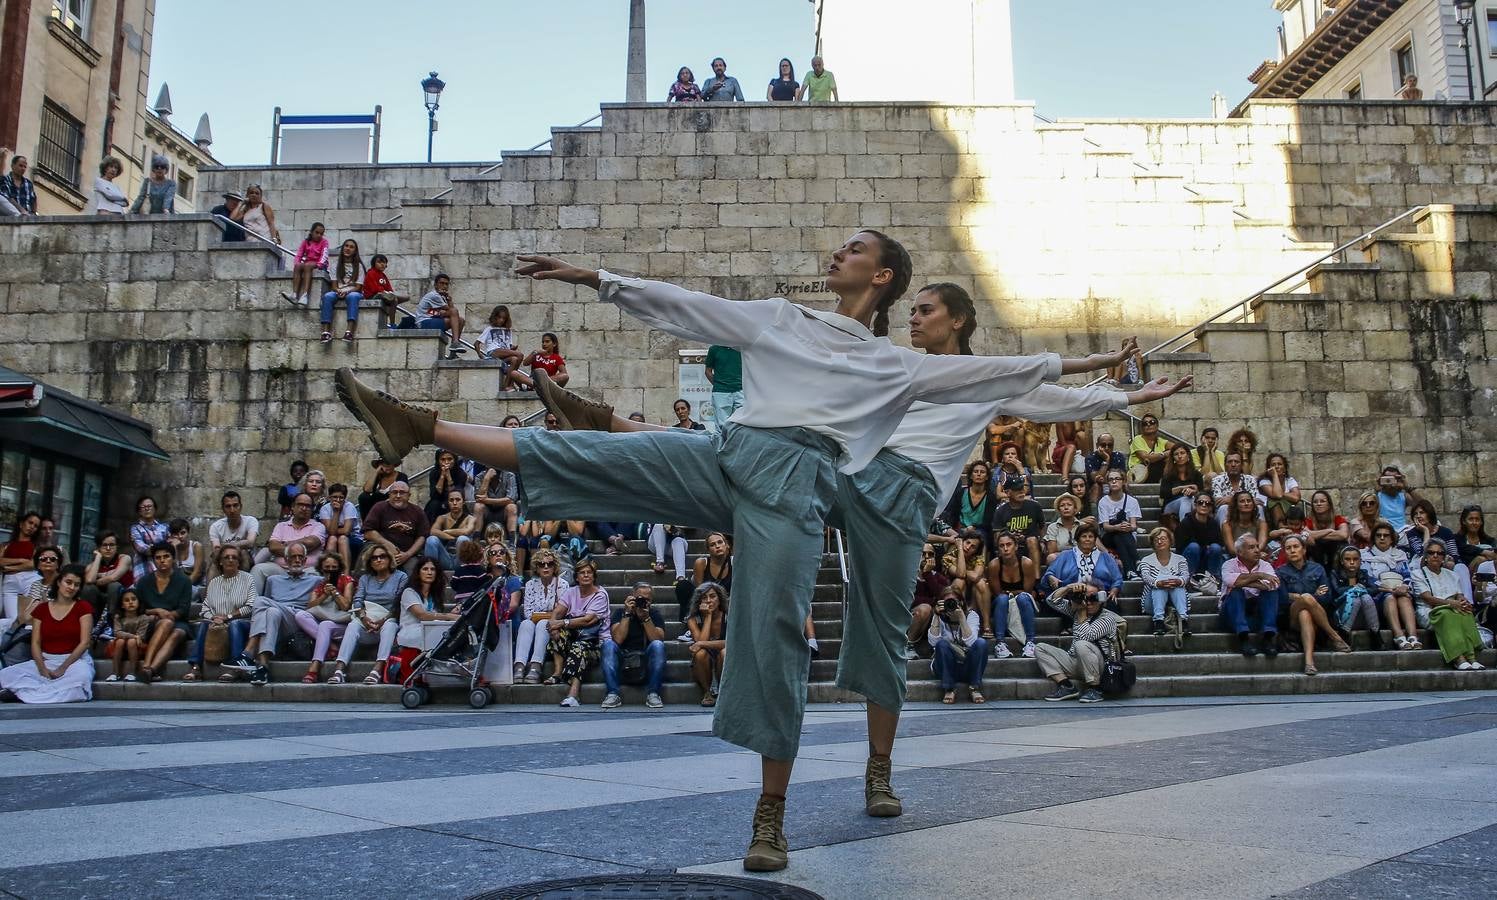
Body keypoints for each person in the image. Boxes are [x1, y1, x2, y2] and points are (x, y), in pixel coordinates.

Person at [334, 234, 1152, 872]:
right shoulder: (780, 317)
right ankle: (423, 425)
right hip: (747, 456)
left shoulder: (895, 366)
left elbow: (1024, 380)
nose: (838, 256)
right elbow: (686, 306)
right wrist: (588, 277)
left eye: (855, 251)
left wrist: (1112, 381)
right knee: (607, 461)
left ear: (884, 278)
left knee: (780, 631)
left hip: (826, 488)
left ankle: (784, 809)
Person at [0, 565, 93, 704]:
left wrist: (63, 668)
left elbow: (85, 642)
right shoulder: (42, 609)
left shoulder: (83, 607)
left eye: (77, 585)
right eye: (69, 582)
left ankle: (26, 692)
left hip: (74, 662)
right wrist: (42, 668)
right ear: (59, 582)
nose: (72, 587)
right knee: (5, 675)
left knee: (81, 679)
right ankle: (43, 690)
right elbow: (35, 643)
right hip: (46, 661)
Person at [234, 543, 320, 685]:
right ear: (286, 560)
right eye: (293, 557)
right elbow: (265, 609)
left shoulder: (316, 580)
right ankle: (262, 666)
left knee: (261, 601)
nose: (297, 560)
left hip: (298, 621)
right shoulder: (273, 580)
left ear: (305, 561)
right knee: (272, 611)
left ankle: (248, 652)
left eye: (300, 557)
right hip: (277, 623)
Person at [327, 546, 407, 684]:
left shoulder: (401, 576)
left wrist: (383, 620)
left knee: (390, 625)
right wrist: (363, 618)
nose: (378, 560)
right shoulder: (365, 578)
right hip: (368, 620)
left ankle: (377, 669)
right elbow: (358, 600)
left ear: (389, 558)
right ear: (369, 562)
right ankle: (339, 670)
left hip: (388, 619)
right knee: (352, 626)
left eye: (382, 556)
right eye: (374, 558)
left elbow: (398, 603)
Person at [1277, 534, 1347, 675]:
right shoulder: (1280, 571)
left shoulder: (1317, 569)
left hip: (1315, 617)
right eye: (1288, 548)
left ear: (1304, 550)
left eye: (1296, 547)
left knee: (1305, 613)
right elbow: (1282, 599)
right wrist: (1310, 596)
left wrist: (1299, 598)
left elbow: (1326, 597)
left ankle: (1309, 663)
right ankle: (1334, 636)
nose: (1292, 550)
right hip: (1291, 617)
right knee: (1306, 600)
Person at [1035, 591, 1121, 704]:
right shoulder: (1077, 608)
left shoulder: (1107, 618)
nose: (1088, 603)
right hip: (1076, 661)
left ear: (1101, 600)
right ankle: (1066, 686)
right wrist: (1069, 588)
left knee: (1081, 644)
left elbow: (1086, 636)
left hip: (1099, 666)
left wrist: (1081, 612)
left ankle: (1095, 689)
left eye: (1093, 598)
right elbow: (1051, 600)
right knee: (1040, 648)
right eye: (1085, 598)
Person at [546, 558, 609, 707]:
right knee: (559, 634)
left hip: (596, 643)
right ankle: (557, 673)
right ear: (576, 577)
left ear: (594, 576)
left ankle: (574, 693)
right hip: (576, 637)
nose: (586, 575)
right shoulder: (571, 592)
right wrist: (553, 625)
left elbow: (588, 621)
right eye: (582, 573)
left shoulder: (600, 595)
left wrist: (561, 623)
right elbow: (558, 611)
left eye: (589, 573)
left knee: (578, 647)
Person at [1413, 542, 1486, 670]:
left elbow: (1459, 595)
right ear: (1425, 556)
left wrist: (1463, 602)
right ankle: (1458, 658)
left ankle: (1471, 658)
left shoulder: (1452, 575)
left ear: (1444, 557)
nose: (1435, 555)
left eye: (1440, 553)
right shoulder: (1418, 573)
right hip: (1430, 611)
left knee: (1466, 612)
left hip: (1453, 608)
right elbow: (1427, 598)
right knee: (1447, 614)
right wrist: (1452, 603)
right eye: (1431, 552)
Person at [189, 546, 256, 683]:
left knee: (234, 625)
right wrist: (213, 618)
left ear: (239, 561)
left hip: (242, 623)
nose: (230, 560)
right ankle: (195, 667)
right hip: (218, 621)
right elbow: (205, 608)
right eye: (226, 557)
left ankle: (234, 668)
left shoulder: (248, 579)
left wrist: (228, 617)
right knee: (204, 624)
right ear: (220, 561)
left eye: (234, 557)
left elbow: (251, 606)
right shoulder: (214, 583)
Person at [601, 581, 667, 709]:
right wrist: (627, 614)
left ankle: (653, 693)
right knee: (608, 644)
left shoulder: (654, 614)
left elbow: (657, 640)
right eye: (639, 599)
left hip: (646, 661)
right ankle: (612, 693)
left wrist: (646, 618)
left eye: (647, 600)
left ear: (651, 601)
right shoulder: (621, 613)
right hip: (623, 660)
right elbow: (618, 640)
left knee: (658, 645)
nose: (643, 602)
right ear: (632, 597)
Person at [1041, 524, 1123, 626]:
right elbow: (1049, 573)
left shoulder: (1106, 557)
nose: (1087, 539)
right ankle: (1071, 627)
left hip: (1098, 595)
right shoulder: (1065, 555)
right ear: (1077, 539)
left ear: (1095, 539)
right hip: (1072, 594)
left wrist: (1115, 589)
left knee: (1111, 603)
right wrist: (1051, 577)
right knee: (1066, 601)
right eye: (1084, 536)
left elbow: (1117, 578)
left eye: (1091, 536)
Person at [136, 542, 193, 682]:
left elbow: (184, 609)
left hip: (178, 622)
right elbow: (139, 608)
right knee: (165, 623)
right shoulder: (144, 581)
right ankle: (148, 666)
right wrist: (156, 611)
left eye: (166, 556)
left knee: (176, 632)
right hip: (150, 622)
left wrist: (169, 615)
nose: (162, 560)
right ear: (154, 560)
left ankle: (149, 669)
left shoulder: (184, 581)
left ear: (173, 559)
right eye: (158, 557)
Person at [1220, 534, 1283, 658]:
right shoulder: (1228, 564)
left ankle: (1268, 637)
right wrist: (1260, 576)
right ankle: (1243, 639)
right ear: (1240, 552)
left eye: (1257, 546)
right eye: (1251, 547)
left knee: (1271, 593)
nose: (1257, 550)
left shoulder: (1265, 565)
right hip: (1231, 614)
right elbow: (1231, 582)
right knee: (1235, 591)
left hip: (1256, 613)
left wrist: (1244, 581)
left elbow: (1273, 585)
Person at [394, 557, 459, 675]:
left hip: (428, 633)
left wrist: (453, 613)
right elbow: (422, 615)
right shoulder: (409, 592)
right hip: (411, 635)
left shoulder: (435, 595)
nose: (429, 572)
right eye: (425, 569)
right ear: (418, 573)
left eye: (432, 569)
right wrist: (448, 616)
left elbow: (435, 617)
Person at [295, 553, 354, 683]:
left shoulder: (347, 580)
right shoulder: (320, 585)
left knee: (325, 624)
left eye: (334, 567)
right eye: (327, 567)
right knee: (300, 615)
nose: (331, 570)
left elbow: (346, 606)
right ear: (321, 569)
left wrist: (335, 592)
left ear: (340, 567)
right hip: (325, 624)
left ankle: (314, 668)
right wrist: (324, 595)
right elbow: (309, 607)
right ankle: (331, 645)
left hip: (342, 625)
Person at [250, 494, 326, 594]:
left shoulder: (318, 526)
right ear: (293, 507)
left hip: (307, 569)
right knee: (258, 569)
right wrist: (301, 546)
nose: (304, 508)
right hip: (281, 568)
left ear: (312, 509)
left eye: (308, 506)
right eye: (300, 505)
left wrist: (285, 543)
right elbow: (273, 547)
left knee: (314, 575)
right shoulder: (281, 526)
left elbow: (310, 543)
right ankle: (252, 604)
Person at [1362, 522, 1422, 649]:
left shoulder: (1400, 555)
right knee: (1389, 597)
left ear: (1392, 539)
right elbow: (1368, 579)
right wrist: (1390, 590)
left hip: (1400, 590)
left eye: (1386, 535)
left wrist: (1404, 587)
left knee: (1404, 598)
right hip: (1379, 594)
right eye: (1379, 535)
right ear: (1374, 538)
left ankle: (1413, 636)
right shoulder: (1366, 556)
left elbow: (1406, 575)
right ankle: (1399, 636)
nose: (1382, 538)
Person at [513, 548, 567, 684]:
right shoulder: (530, 584)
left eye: (549, 564)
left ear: (555, 567)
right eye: (542, 564)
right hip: (533, 624)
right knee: (526, 623)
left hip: (554, 627)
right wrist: (549, 613)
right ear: (536, 568)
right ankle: (519, 665)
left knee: (543, 624)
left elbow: (561, 613)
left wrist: (542, 616)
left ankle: (536, 665)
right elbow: (528, 613)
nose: (546, 567)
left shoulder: (562, 585)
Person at [928, 587, 988, 705]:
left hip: (966, 665)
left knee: (981, 643)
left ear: (960, 602)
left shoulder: (971, 615)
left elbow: (972, 642)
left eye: (954, 601)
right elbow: (933, 643)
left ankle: (974, 687)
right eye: (947, 602)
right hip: (944, 665)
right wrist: (936, 616)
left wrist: (961, 618)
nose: (950, 605)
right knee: (941, 644)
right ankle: (949, 688)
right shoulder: (939, 617)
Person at [987, 532, 1038, 658]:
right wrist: (1014, 593)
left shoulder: (1026, 563)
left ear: (1015, 546)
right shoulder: (994, 565)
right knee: (1002, 599)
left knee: (1023, 598)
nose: (1005, 548)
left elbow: (1027, 591)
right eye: (1001, 546)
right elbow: (997, 592)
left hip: (1023, 601)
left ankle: (1031, 642)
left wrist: (1012, 593)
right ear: (998, 549)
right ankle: (1000, 643)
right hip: (1001, 603)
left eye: (1009, 544)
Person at [362, 482, 430, 575]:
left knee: (415, 575)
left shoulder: (417, 511)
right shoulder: (379, 507)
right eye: (394, 492)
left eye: (402, 492)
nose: (398, 495)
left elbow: (422, 537)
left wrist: (407, 554)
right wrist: (387, 545)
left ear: (409, 495)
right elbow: (368, 532)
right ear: (389, 495)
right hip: (382, 551)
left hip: (407, 554)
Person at [1329, 545, 1383, 651]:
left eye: (1355, 559)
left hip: (1363, 617)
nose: (1352, 562)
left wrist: (1361, 590)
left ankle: (1375, 634)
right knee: (1355, 598)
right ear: (1341, 561)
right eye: (1348, 559)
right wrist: (1354, 588)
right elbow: (1337, 592)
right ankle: (1344, 634)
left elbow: (1376, 588)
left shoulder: (1363, 574)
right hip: (1342, 615)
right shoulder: (1335, 574)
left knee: (1366, 597)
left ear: (1360, 561)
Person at [1138, 527, 1190, 636]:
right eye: (1156, 540)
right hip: (1152, 601)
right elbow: (1146, 577)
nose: (1160, 542)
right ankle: (1158, 621)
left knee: (1178, 583)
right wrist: (1159, 583)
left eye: (1163, 538)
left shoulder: (1180, 559)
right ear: (1152, 543)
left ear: (1170, 541)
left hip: (1176, 598)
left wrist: (1178, 581)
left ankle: (1183, 619)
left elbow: (1185, 576)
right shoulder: (1146, 560)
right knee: (1160, 583)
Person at [687, 581, 728, 706]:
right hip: (702, 663)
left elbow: (731, 642)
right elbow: (699, 642)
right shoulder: (693, 619)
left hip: (725, 658)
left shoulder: (728, 616)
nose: (709, 601)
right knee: (700, 653)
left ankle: (723, 691)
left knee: (724, 652)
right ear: (699, 602)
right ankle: (707, 692)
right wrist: (708, 617)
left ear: (719, 599)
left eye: (712, 596)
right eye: (704, 597)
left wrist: (701, 644)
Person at [944, 529, 990, 635]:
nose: (968, 547)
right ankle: (957, 622)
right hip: (956, 594)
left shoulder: (978, 558)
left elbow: (975, 576)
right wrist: (960, 549)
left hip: (975, 595)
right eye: (967, 542)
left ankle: (987, 625)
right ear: (962, 541)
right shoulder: (948, 557)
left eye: (973, 546)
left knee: (981, 583)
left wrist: (962, 569)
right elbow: (960, 575)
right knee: (960, 581)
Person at [1097, 471, 1141, 577]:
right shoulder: (1103, 501)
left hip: (1126, 534)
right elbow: (1105, 526)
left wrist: (1128, 527)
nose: (1114, 481)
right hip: (1109, 536)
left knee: (1120, 536)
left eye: (1117, 479)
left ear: (1123, 481)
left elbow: (1134, 525)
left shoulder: (1132, 501)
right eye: (1111, 479)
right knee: (1118, 530)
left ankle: (1129, 571)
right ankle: (1137, 560)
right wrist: (1117, 527)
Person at [683, 531, 734, 625]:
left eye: (720, 542)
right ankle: (691, 623)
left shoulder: (734, 562)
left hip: (728, 602)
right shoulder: (701, 563)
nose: (717, 546)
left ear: (727, 545)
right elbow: (700, 591)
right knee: (683, 586)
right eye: (712, 545)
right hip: (707, 599)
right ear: (708, 550)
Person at [320, 238, 364, 344]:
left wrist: (347, 292)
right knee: (328, 296)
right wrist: (339, 291)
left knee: (352, 296)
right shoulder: (335, 265)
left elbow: (358, 287)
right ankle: (325, 332)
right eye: (346, 246)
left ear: (355, 251)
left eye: (351, 247)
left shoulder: (359, 266)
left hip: (353, 291)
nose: (348, 248)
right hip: (338, 290)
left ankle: (349, 331)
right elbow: (334, 285)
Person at [992, 476, 1045, 562]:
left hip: (1031, 543)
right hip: (1009, 543)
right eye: (1016, 490)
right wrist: (1010, 536)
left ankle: (1036, 575)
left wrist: (1042, 541)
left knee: (1031, 540)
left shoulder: (1035, 506)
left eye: (1022, 488)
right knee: (1007, 544)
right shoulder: (1000, 511)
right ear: (1007, 492)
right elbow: (997, 536)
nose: (1021, 492)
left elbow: (1042, 526)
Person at [943, 460, 996, 545]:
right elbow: (953, 514)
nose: (979, 474)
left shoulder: (991, 497)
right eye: (975, 472)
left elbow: (988, 522)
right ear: (971, 476)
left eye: (982, 472)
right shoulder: (961, 493)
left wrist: (973, 528)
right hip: (961, 529)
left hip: (980, 530)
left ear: (987, 477)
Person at [1175, 493, 1225, 583]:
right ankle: (1187, 579)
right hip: (1188, 559)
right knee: (1194, 547)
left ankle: (1214, 579)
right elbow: (1179, 547)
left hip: (1206, 558)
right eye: (1200, 502)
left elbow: (1219, 544)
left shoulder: (1213, 523)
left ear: (1211, 507)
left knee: (1216, 548)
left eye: (1208, 503)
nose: (1204, 505)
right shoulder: (1186, 522)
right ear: (1195, 505)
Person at [424, 488, 478, 570]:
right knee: (431, 540)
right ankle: (431, 571)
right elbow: (433, 531)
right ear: (448, 503)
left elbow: (467, 531)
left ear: (463, 502)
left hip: (461, 559)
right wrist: (452, 537)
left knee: (462, 539)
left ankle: (464, 572)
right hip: (445, 557)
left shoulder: (470, 519)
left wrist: (447, 531)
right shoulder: (442, 518)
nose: (455, 503)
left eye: (458, 500)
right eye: (451, 500)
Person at [415, 273, 467, 357]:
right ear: (435, 285)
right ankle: (455, 342)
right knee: (456, 314)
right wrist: (448, 300)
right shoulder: (434, 295)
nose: (444, 286)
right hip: (423, 322)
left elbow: (454, 315)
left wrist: (448, 299)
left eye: (446, 284)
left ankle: (453, 352)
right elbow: (452, 311)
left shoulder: (441, 297)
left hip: (433, 320)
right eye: (441, 283)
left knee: (461, 320)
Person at [104, 589, 149, 683]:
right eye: (127, 600)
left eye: (133, 599)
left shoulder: (144, 618)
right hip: (120, 647)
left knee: (131, 641)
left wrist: (134, 638)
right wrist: (133, 636)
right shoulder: (118, 617)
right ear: (122, 605)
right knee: (120, 641)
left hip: (137, 646)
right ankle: (115, 673)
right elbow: (117, 632)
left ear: (139, 602)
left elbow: (141, 636)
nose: (131, 602)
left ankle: (132, 673)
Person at [82, 530, 133, 613]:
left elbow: (113, 578)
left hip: (122, 600)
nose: (108, 549)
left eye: (112, 545)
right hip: (99, 600)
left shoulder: (124, 558)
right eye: (104, 545)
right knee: (87, 588)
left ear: (117, 547)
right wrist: (98, 557)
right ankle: (90, 617)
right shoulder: (94, 564)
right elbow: (89, 580)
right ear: (98, 548)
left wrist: (98, 578)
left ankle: (111, 619)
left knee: (113, 585)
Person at [209, 491, 259, 573]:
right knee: (214, 561)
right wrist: (240, 544)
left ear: (241, 507)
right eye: (228, 506)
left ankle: (242, 585)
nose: (232, 510)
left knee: (243, 553)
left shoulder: (251, 521)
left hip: (246, 560)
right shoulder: (216, 526)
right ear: (223, 509)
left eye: (235, 505)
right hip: (224, 559)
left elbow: (250, 542)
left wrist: (226, 546)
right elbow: (216, 550)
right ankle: (212, 585)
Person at [477, 305, 525, 388]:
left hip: (502, 355)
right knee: (520, 355)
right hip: (494, 352)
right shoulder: (490, 329)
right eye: (499, 317)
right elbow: (476, 344)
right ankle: (510, 384)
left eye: (504, 318)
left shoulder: (508, 330)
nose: (501, 320)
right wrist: (481, 356)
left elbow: (508, 346)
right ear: (495, 317)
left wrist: (512, 348)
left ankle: (507, 384)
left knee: (515, 359)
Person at [284, 222, 329, 309]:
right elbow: (299, 254)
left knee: (307, 265)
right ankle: (294, 294)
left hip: (320, 264)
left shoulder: (324, 242)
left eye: (321, 234)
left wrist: (319, 264)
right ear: (311, 232)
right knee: (298, 266)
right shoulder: (306, 242)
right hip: (308, 263)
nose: (319, 235)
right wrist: (297, 263)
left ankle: (305, 295)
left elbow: (324, 255)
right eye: (317, 232)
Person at [1158, 443, 1204, 528]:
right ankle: (1185, 530)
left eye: (1182, 453)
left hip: (1192, 503)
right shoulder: (1168, 474)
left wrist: (1194, 492)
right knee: (1185, 500)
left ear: (1188, 455)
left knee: (1191, 500)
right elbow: (1163, 493)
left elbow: (1202, 493)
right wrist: (1182, 488)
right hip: (1171, 506)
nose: (1179, 456)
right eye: (1176, 454)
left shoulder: (1196, 474)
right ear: (1173, 458)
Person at [319, 483, 362, 572]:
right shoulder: (325, 509)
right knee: (332, 539)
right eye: (334, 497)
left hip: (353, 537)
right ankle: (328, 573)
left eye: (341, 497)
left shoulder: (349, 506)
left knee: (342, 538)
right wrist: (336, 512)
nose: (338, 500)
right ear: (329, 497)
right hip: (331, 538)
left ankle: (346, 575)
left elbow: (346, 531)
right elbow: (331, 532)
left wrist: (333, 529)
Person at [1303, 490, 1350, 568]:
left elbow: (1343, 535)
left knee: (1342, 544)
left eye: (1322, 501)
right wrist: (1328, 531)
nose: (1318, 504)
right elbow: (1305, 535)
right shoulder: (1308, 521)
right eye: (1315, 502)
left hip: (1334, 553)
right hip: (1316, 554)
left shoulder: (1338, 519)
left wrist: (1316, 535)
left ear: (1329, 504)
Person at [361, 253, 408, 329]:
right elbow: (374, 289)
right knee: (394, 299)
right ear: (374, 264)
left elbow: (389, 289)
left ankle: (390, 304)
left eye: (384, 262)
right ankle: (392, 324)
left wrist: (389, 293)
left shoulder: (383, 276)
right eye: (379, 262)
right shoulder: (371, 273)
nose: (382, 264)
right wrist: (386, 293)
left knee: (406, 297)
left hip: (384, 295)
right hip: (373, 296)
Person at [1210, 453, 1259, 523]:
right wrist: (1242, 502)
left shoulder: (1250, 480)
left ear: (1242, 465)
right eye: (1230, 462)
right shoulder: (1217, 480)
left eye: (1237, 462)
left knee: (1259, 508)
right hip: (1227, 514)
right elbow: (1218, 502)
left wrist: (1230, 499)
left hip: (1247, 514)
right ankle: (1225, 533)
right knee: (1223, 508)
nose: (1233, 465)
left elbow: (1254, 501)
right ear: (1225, 465)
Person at [1257, 453, 1302, 530]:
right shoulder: (1264, 481)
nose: (1276, 467)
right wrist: (1274, 475)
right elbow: (1278, 495)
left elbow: (1296, 498)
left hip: (1289, 512)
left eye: (1279, 464)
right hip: (1269, 514)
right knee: (1274, 501)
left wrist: (1282, 494)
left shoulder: (1289, 480)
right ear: (1269, 468)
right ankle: (1280, 525)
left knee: (1281, 500)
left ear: (1284, 468)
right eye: (1273, 465)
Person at [129, 496, 170, 580]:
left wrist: (152, 547)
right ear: (139, 511)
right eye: (143, 507)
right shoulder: (135, 528)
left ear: (155, 509)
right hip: (143, 567)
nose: (147, 509)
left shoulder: (164, 527)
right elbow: (141, 548)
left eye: (149, 506)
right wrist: (163, 547)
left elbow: (171, 546)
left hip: (163, 566)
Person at [705, 344, 744, 430]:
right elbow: (708, 371)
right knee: (722, 425)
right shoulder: (714, 349)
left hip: (740, 390)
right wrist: (718, 384)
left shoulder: (741, 347)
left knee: (741, 423)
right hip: (721, 392)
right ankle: (722, 443)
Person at [166, 518, 205, 594]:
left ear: (188, 533)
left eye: (183, 533)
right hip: (177, 586)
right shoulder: (171, 548)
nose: (180, 536)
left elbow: (197, 572)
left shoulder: (196, 546)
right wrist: (174, 549)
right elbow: (171, 572)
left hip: (194, 585)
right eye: (176, 534)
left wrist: (183, 587)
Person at [1043, 493, 1082, 565]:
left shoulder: (1082, 526)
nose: (1066, 508)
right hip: (1061, 558)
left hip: (1081, 556)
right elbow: (1052, 551)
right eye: (1062, 505)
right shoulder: (1053, 527)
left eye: (1069, 505)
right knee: (1051, 558)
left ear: (1075, 509)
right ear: (1059, 510)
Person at [1085, 435, 1126, 505]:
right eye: (1103, 445)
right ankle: (1095, 513)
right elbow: (1095, 478)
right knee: (1096, 486)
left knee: (1124, 485)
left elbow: (1123, 477)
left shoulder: (1119, 456)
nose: (1106, 448)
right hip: (1096, 487)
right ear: (1097, 445)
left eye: (1110, 445)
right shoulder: (1091, 457)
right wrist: (1106, 460)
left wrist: (1104, 478)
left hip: (1115, 484)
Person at [1455, 505, 1497, 573]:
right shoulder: (1457, 539)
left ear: (1481, 522)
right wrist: (1484, 552)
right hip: (1465, 575)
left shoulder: (1490, 541)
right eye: (1471, 519)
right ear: (1464, 521)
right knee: (1480, 559)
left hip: (1488, 577)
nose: (1474, 523)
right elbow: (1463, 548)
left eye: (1477, 519)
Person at [1126, 414, 1167, 483]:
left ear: (1157, 426)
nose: (1148, 425)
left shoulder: (1161, 441)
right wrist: (1164, 454)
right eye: (1145, 424)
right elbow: (1146, 458)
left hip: (1155, 473)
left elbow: (1178, 448)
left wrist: (1162, 455)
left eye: (1152, 422)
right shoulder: (1137, 439)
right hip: (1138, 476)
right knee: (1158, 462)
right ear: (1142, 428)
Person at [1376, 466, 1418, 530]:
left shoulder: (1403, 496)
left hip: (1402, 532)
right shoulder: (1377, 496)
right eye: (1388, 479)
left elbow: (1423, 505)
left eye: (1394, 478)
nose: (1391, 482)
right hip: (1384, 532)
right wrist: (1377, 486)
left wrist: (1407, 487)